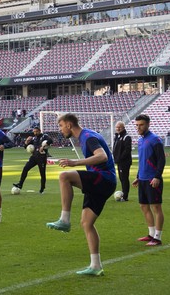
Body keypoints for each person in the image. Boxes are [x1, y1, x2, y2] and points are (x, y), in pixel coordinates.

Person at [45, 113, 117, 276]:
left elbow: (102, 156)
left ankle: (64, 219)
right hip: (104, 182)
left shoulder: (87, 137)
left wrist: (74, 162)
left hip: (104, 178)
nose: (60, 129)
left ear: (69, 125)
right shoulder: (87, 136)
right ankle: (96, 266)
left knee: (65, 176)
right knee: (86, 223)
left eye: (61, 126)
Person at [132, 114, 166, 246]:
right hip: (143, 179)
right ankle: (151, 234)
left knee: (156, 207)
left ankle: (157, 237)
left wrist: (157, 176)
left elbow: (161, 160)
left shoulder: (155, 140)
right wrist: (138, 177)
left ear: (148, 124)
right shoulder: (140, 140)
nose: (138, 127)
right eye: (137, 125)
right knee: (144, 206)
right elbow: (143, 161)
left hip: (153, 179)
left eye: (141, 125)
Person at [13, 126, 51, 194]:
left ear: (39, 131)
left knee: (42, 174)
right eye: (34, 132)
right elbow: (25, 147)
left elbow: (50, 141)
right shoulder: (34, 138)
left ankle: (42, 189)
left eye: (36, 131)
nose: (35, 133)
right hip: (34, 157)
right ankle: (20, 184)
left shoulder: (44, 136)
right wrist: (27, 141)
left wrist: (43, 146)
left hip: (42, 158)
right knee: (25, 168)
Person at [112, 121, 132, 201]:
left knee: (124, 178)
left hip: (124, 162)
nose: (118, 128)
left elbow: (127, 150)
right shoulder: (117, 136)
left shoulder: (126, 137)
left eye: (119, 127)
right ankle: (124, 194)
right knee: (121, 178)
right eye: (117, 127)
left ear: (123, 127)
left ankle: (125, 196)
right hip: (119, 161)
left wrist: (120, 158)